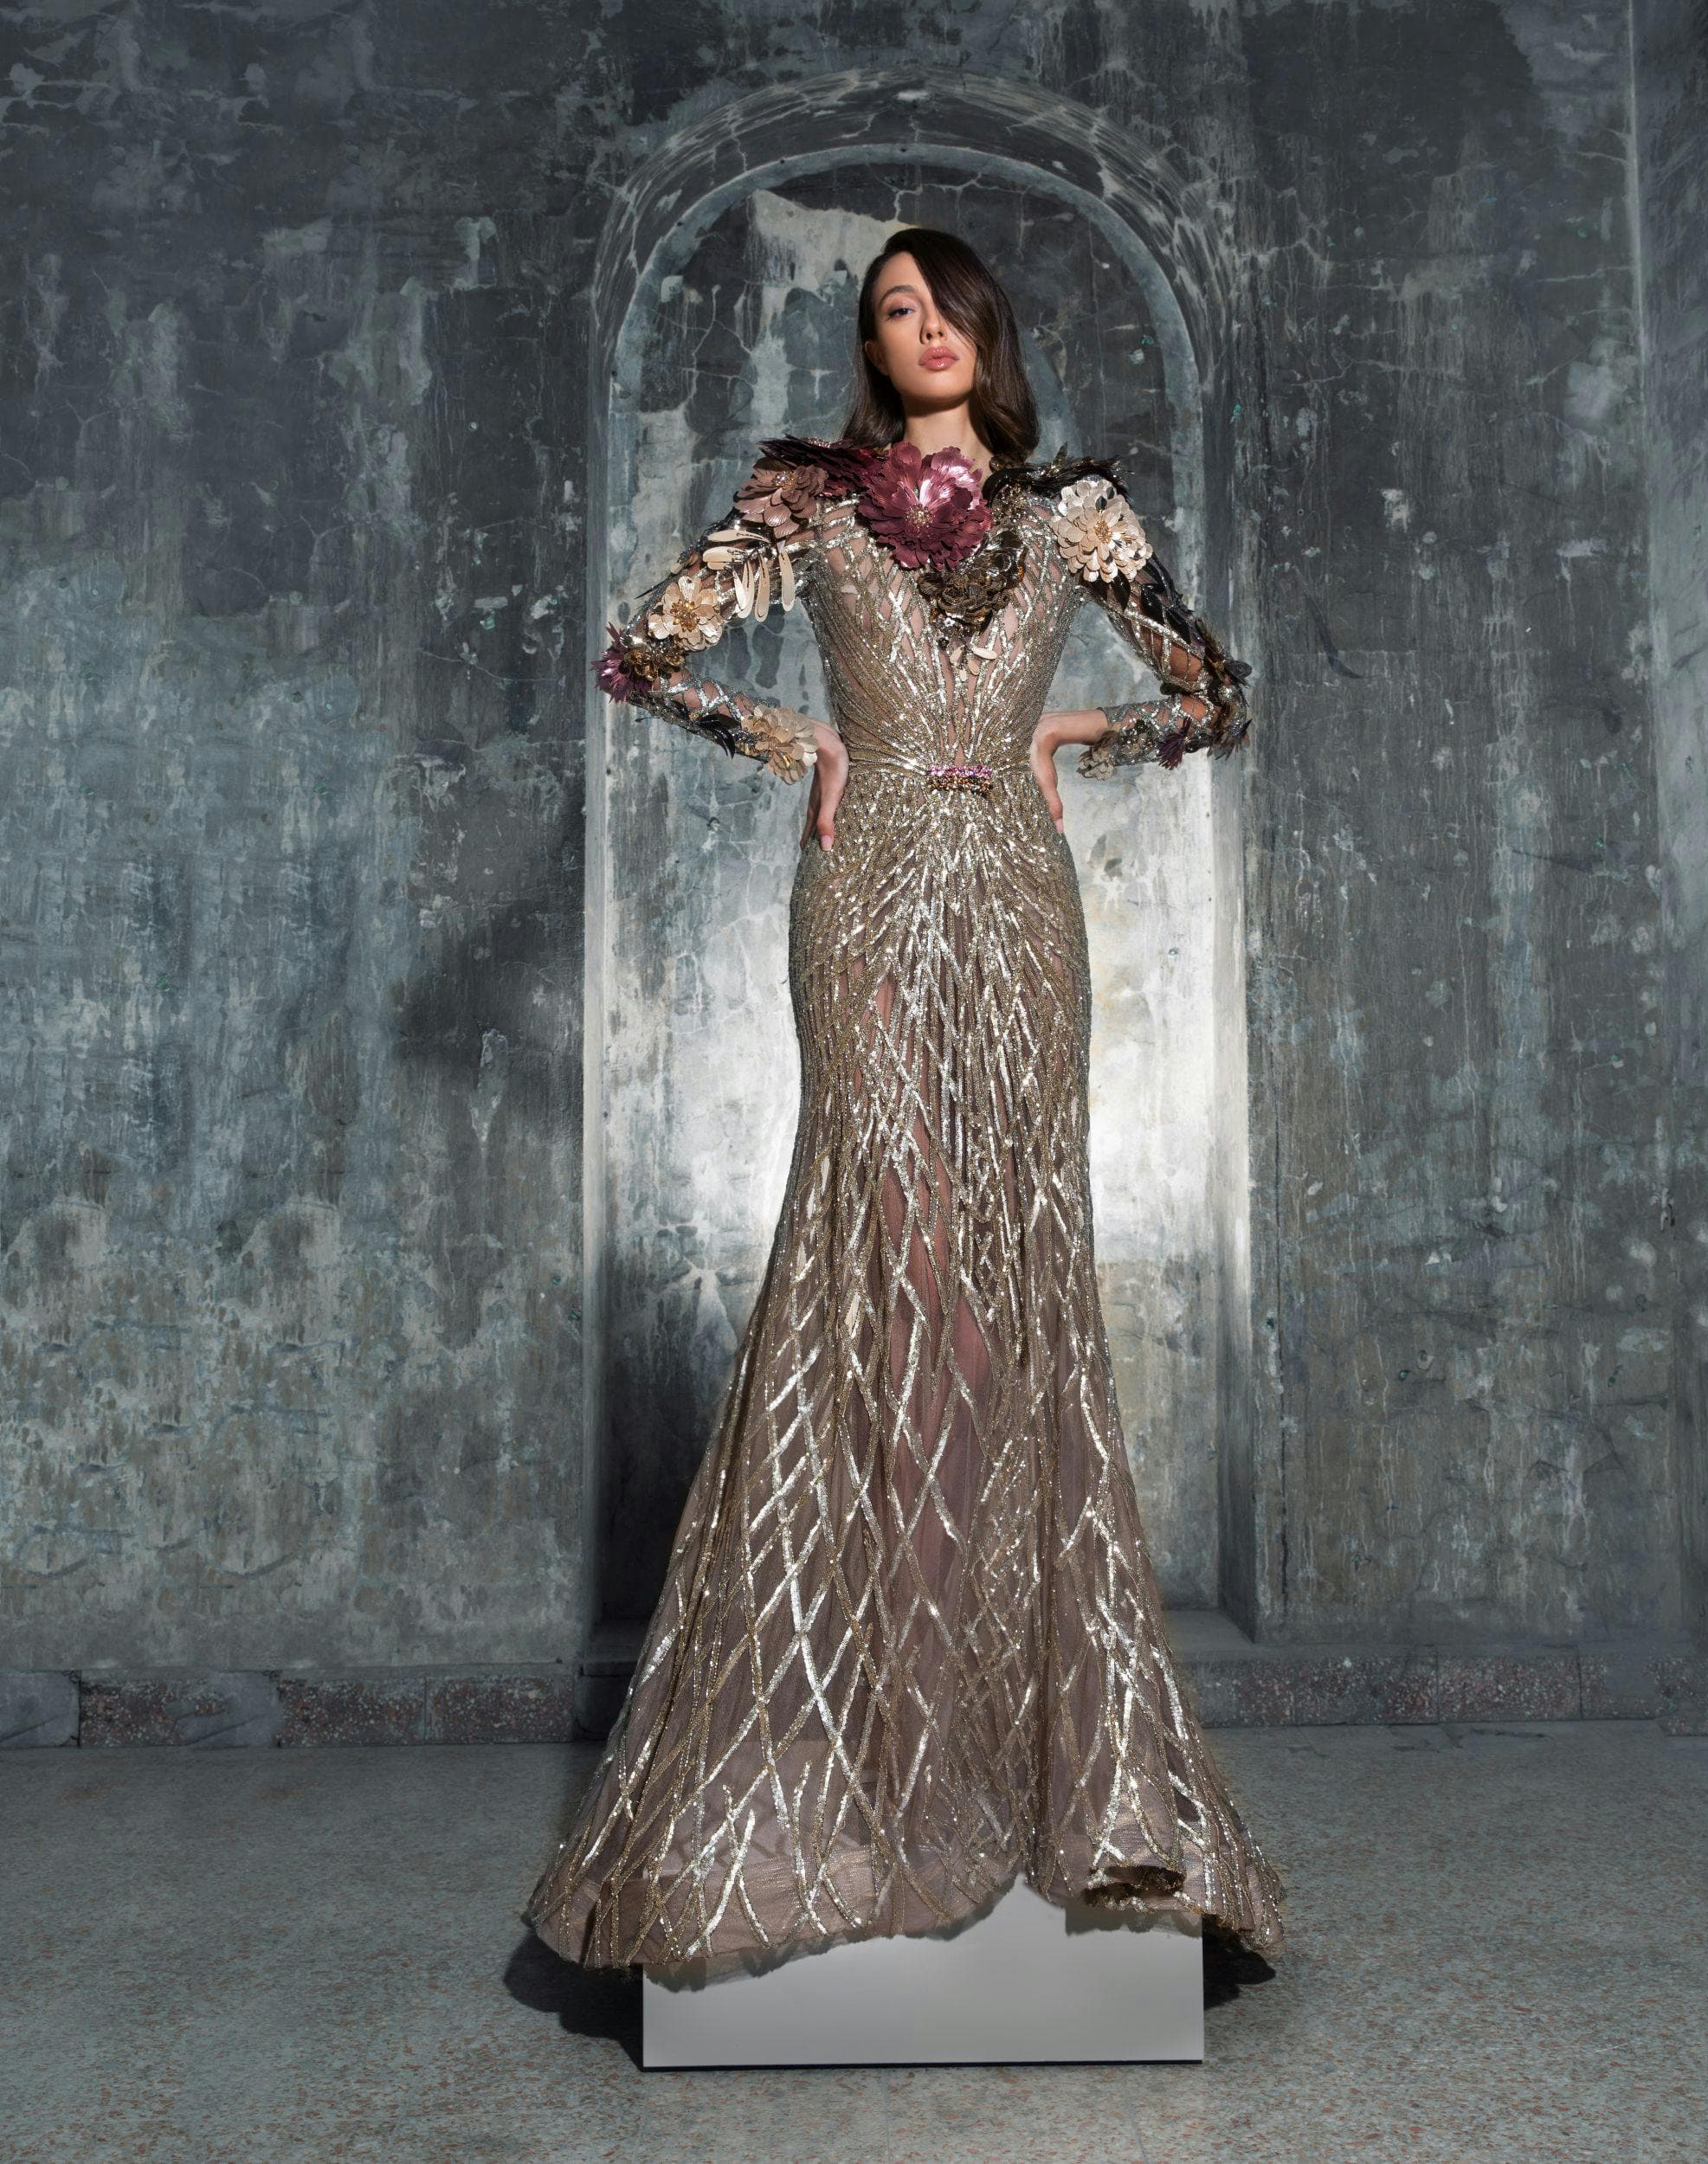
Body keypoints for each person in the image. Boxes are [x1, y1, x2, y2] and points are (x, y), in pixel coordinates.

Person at [525, 225, 1285, 1982]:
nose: (922, 327)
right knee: (890, 1246)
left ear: (983, 332)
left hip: (1016, 898)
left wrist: (1070, 737)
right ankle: (857, 1719)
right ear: (870, 347)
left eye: (943, 304)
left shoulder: (1072, 512)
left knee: (1009, 1262)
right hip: (863, 888)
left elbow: (1214, 692)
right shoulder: (807, 502)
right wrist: (793, 740)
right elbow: (641, 656)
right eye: (891, 310)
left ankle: (1004, 1716)